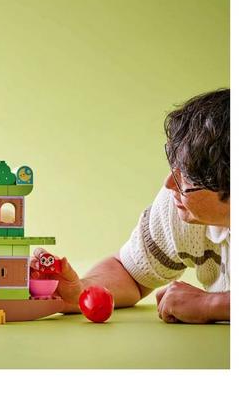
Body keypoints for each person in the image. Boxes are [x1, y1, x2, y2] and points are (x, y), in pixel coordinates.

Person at [34, 89, 230, 324]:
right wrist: (80, 292)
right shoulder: (179, 208)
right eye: (175, 165)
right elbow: (130, 273)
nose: (169, 184)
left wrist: (211, 304)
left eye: (187, 177)